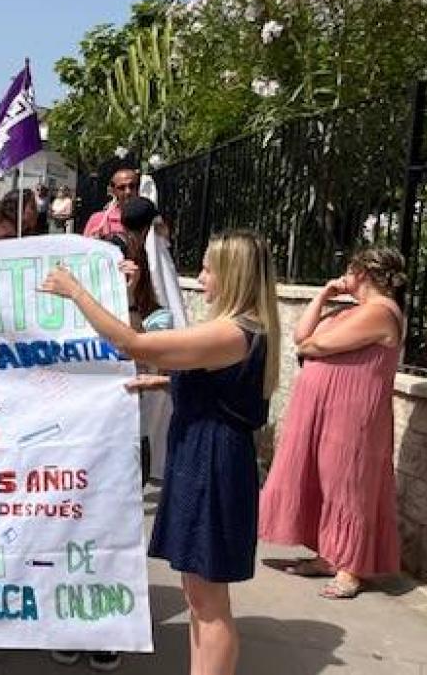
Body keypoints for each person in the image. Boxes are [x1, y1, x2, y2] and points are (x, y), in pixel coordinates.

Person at [40, 229, 281, 675]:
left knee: (209, 602)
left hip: (212, 462)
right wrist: (164, 381)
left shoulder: (232, 332)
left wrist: (77, 292)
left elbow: (134, 345)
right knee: (198, 595)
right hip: (206, 455)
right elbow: (216, 384)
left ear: (231, 274)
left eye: (209, 268)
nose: (201, 276)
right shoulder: (240, 329)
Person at [259, 247, 406, 599]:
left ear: (363, 273)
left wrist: (311, 347)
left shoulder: (382, 311)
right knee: (325, 478)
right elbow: (302, 336)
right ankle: (329, 555)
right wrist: (323, 294)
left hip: (352, 412)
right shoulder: (352, 310)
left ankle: (351, 567)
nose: (345, 276)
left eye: (350, 270)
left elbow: (318, 345)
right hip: (326, 408)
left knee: (349, 483)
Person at [83, 165, 140, 238]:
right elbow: (84, 248)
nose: (128, 192)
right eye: (121, 188)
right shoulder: (98, 221)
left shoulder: (149, 220)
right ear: (114, 191)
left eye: (132, 186)